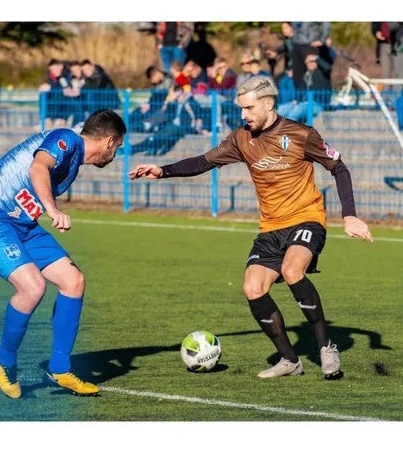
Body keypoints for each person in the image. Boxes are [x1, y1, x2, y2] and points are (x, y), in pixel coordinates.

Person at [129, 75, 373, 380]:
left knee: (292, 270)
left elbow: (339, 167)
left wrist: (348, 215)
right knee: (252, 288)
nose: (243, 115)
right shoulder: (240, 139)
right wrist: (162, 170)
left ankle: (326, 346)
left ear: (269, 103)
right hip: (270, 227)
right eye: (241, 108)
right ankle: (289, 360)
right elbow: (204, 161)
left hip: (306, 219)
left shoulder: (301, 134)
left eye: (248, 108)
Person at [0, 109, 126, 399]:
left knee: (73, 281)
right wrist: (52, 210)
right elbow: (38, 168)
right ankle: (6, 358)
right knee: (33, 286)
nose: (115, 156)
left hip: (21, 225)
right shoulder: (66, 140)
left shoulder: (73, 160)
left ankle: (60, 368)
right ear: (109, 142)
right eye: (118, 148)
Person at [291, 22, 331, 89]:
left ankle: (318, 96)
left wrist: (322, 39)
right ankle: (300, 98)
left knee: (315, 72)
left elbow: (326, 23)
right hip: (296, 45)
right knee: (297, 76)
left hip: (310, 44)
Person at [39, 58, 73, 128]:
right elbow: (42, 89)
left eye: (58, 68)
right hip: (50, 110)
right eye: (54, 69)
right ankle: (47, 118)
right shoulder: (47, 78)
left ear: (61, 67)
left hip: (63, 110)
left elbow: (68, 90)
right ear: (50, 69)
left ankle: (62, 119)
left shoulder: (66, 76)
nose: (56, 71)